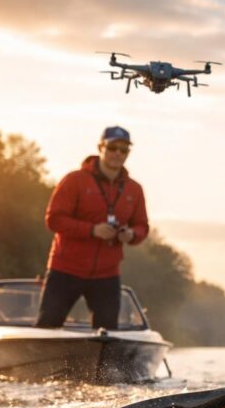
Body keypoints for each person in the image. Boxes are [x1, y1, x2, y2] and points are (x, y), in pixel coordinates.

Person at [36, 126, 149, 330]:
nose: (117, 153)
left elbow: (142, 226)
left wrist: (131, 235)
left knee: (107, 335)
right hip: (66, 269)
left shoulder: (135, 189)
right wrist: (92, 230)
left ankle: (102, 363)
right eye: (112, 147)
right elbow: (54, 219)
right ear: (100, 147)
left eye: (123, 150)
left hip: (107, 273)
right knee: (47, 327)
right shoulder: (75, 180)